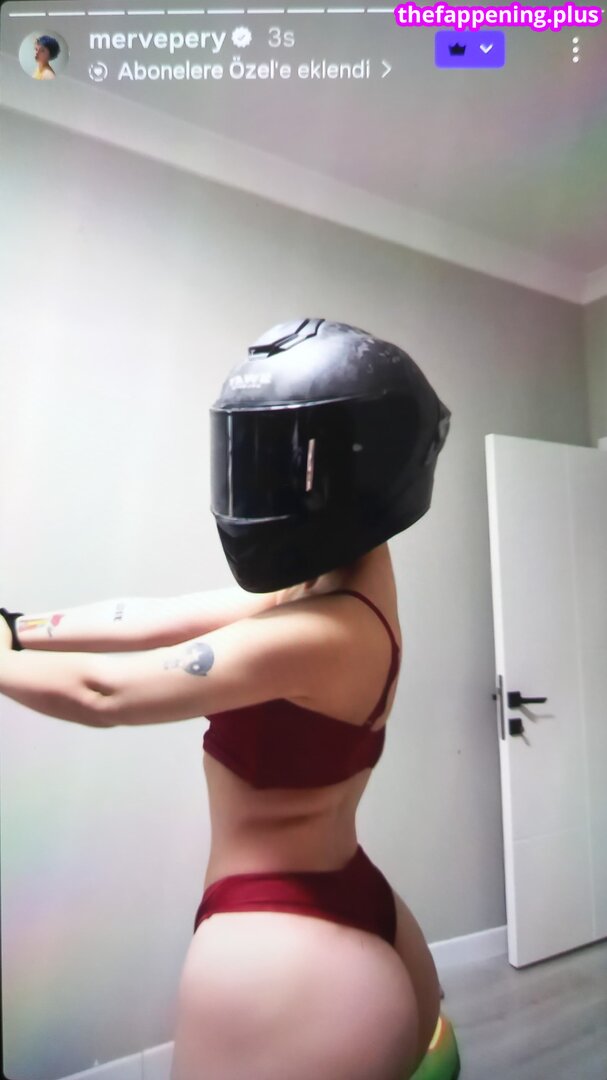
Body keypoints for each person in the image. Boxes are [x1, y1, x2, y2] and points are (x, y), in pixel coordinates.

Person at [0, 319, 458, 1079]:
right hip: (347, 896)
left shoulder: (324, 632)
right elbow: (152, 616)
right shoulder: (337, 587)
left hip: (282, 946)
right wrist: (19, 627)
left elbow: (105, 691)